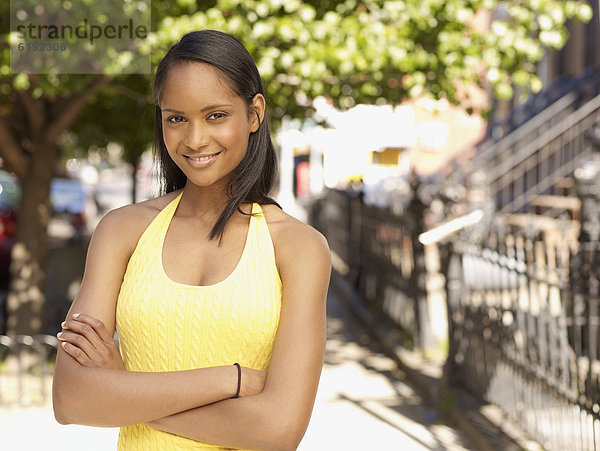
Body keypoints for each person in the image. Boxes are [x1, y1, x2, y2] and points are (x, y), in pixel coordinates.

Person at [52, 29, 331, 450]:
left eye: (216, 115)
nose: (195, 139)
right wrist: (231, 379)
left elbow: (278, 430)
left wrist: (124, 388)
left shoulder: (298, 248)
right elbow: (71, 399)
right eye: (176, 118)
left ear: (254, 113)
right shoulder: (123, 231)